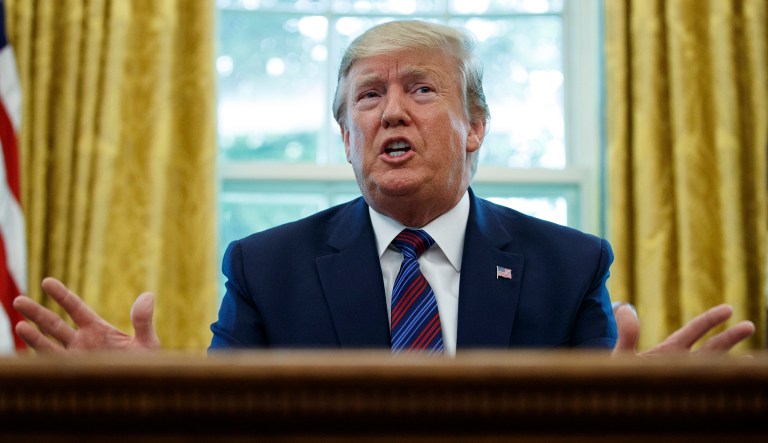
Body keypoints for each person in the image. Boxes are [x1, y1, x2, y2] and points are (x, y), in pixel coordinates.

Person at [12, 20, 755, 356]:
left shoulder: (569, 262)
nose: (391, 109)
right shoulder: (266, 265)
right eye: (367, 97)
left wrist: (638, 407)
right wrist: (157, 396)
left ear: (475, 126)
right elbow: (226, 423)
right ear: (346, 139)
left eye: (421, 88)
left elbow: (589, 426)